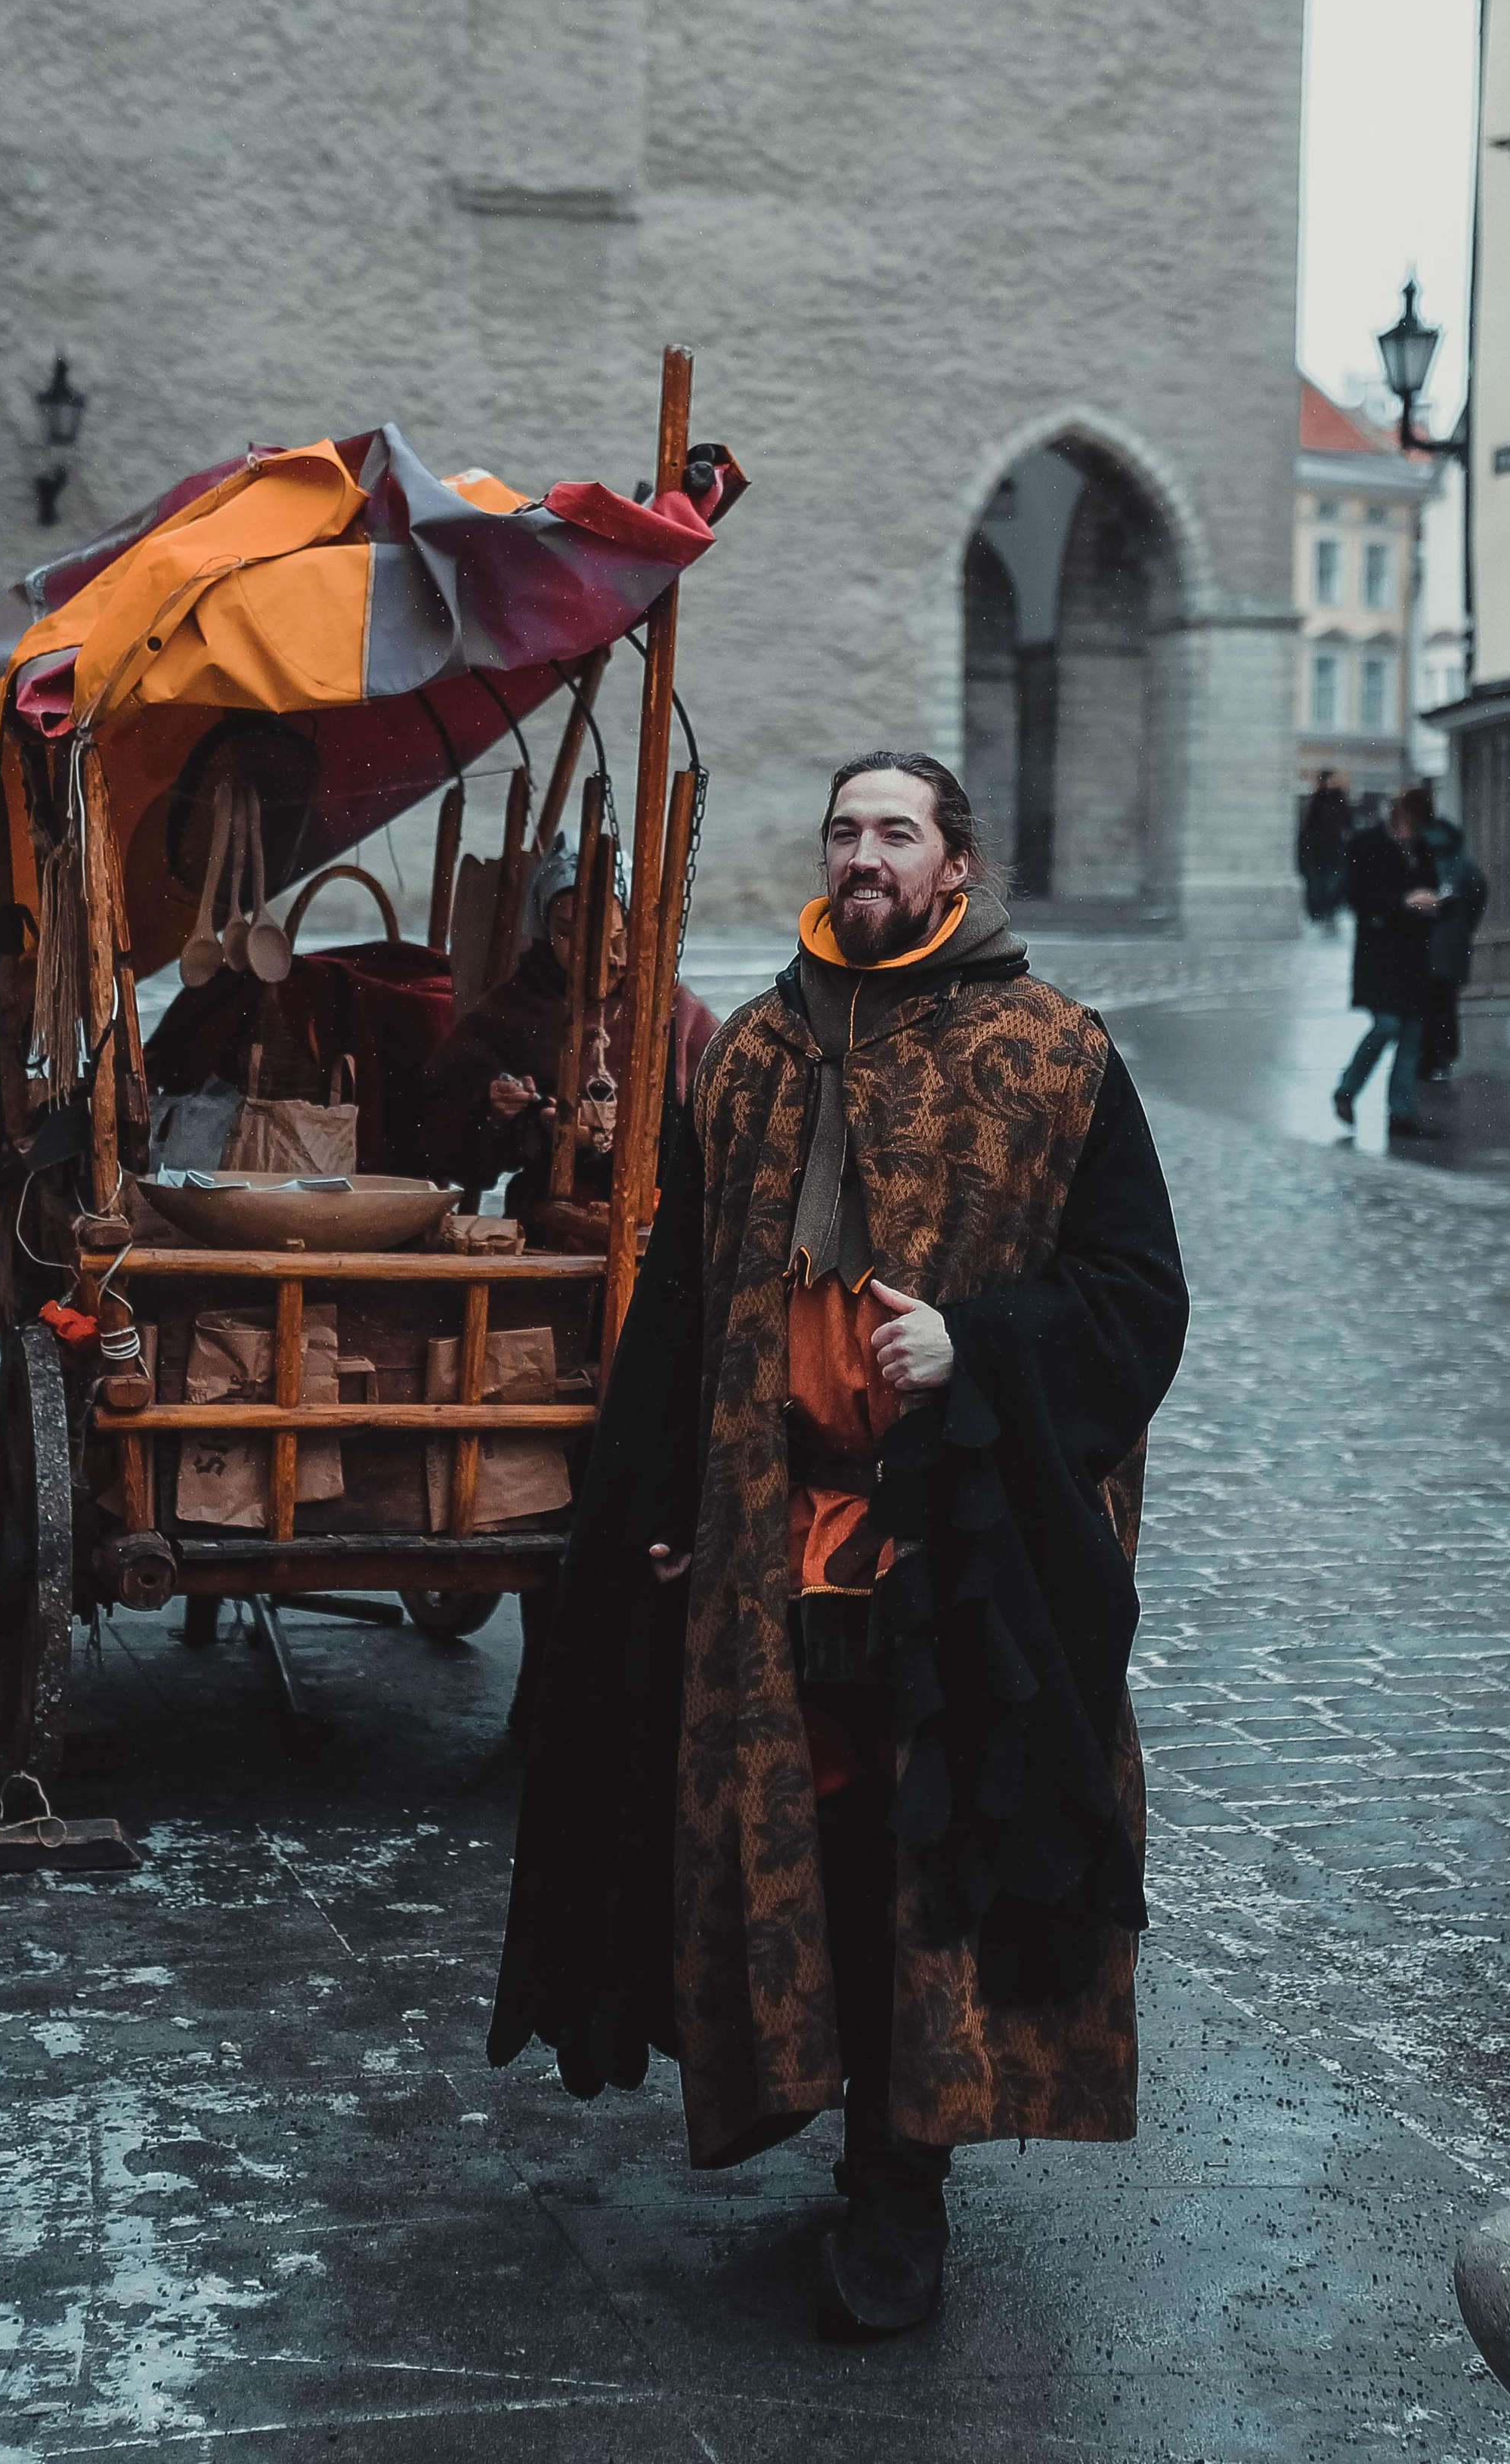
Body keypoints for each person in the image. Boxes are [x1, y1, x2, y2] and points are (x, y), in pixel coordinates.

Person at [487, 750, 1190, 2339]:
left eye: (895, 832)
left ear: (955, 866)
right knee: (801, 1848)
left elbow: (1137, 1301)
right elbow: (679, 1302)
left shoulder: (1054, 1053)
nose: (861, 854)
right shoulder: (747, 1056)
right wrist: (666, 1504)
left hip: (962, 1544)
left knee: (920, 1847)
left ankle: (899, 2182)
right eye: (842, 831)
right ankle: (816, 2102)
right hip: (769, 1530)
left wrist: (978, 1349)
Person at [420, 847, 717, 1221]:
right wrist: (497, 1108)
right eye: (566, 932)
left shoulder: (670, 1009)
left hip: (660, 1209)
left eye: (604, 933)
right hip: (555, 1210)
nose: (585, 949)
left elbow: (723, 1113)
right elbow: (445, 1129)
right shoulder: (516, 1008)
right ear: (545, 929)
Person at [1332, 785, 1440, 1139]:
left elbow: (1431, 884)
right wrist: (1402, 902)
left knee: (1411, 1034)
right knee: (1387, 1026)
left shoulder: (1421, 849)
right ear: (1402, 814)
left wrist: (1430, 901)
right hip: (1379, 954)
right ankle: (1347, 1090)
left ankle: (1401, 1113)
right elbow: (1359, 896)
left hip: (1412, 954)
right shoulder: (1367, 844)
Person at [1419, 811, 1489, 1082]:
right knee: (1447, 1002)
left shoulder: (1422, 861)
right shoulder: (1462, 861)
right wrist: (1464, 925)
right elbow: (1479, 891)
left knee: (1424, 1003)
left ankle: (1426, 1059)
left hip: (1424, 943)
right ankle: (1444, 1058)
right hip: (1453, 943)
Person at [1298, 769, 1355, 930]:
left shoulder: (1340, 801)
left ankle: (1329, 911)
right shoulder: (1316, 802)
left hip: (1335, 852)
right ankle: (1320, 912)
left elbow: (1348, 825)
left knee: (1332, 883)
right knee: (1319, 884)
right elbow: (1308, 828)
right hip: (1318, 852)